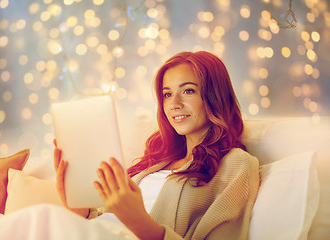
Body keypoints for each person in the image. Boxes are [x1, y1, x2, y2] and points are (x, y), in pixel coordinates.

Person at [54, 51, 260, 240]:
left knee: (36, 217)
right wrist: (79, 213)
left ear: (215, 96)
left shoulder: (236, 163)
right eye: (167, 94)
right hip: (92, 234)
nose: (174, 103)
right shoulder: (158, 160)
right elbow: (106, 221)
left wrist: (138, 221)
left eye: (188, 91)